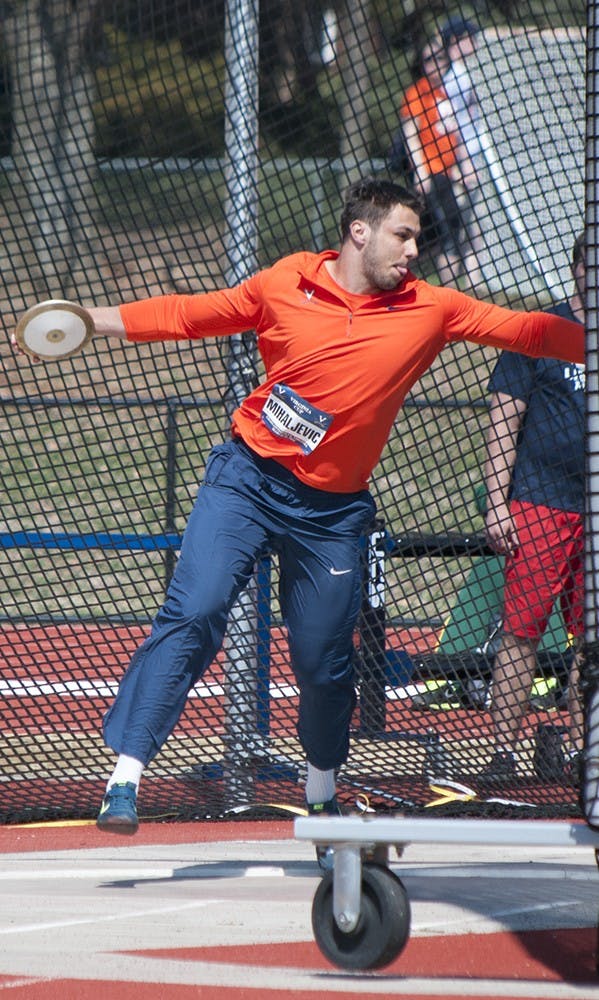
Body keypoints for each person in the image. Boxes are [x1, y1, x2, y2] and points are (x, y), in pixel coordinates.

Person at [16, 178, 583, 846]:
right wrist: (91, 319)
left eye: (416, 238)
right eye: (402, 235)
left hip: (332, 514)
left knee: (320, 661)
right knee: (195, 609)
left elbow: (532, 330)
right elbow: (192, 315)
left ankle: (320, 789)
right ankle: (127, 771)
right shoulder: (286, 282)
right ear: (359, 232)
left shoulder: (432, 308)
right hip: (246, 482)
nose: (413, 250)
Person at [480, 232, 586, 785]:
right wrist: (497, 502)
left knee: (590, 637)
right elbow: (504, 418)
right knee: (522, 630)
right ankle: (502, 753)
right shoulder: (541, 331)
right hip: (540, 500)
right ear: (577, 271)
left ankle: (578, 749)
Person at [398, 36, 466, 284]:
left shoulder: (446, 93)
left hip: (447, 174)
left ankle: (448, 292)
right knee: (435, 234)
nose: (435, 64)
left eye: (440, 58)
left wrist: (459, 168)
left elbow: (455, 136)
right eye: (429, 60)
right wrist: (420, 171)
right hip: (430, 174)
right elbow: (410, 133)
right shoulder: (418, 92)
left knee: (451, 234)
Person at [438, 16, 485, 289]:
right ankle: (455, 292)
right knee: (457, 232)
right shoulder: (454, 78)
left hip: (470, 157)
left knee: (472, 232)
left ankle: (469, 291)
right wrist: (464, 164)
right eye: (469, 37)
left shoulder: (463, 74)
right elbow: (453, 126)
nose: (475, 42)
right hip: (461, 160)